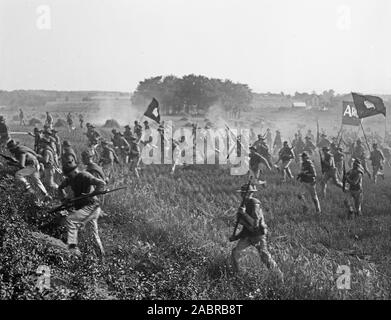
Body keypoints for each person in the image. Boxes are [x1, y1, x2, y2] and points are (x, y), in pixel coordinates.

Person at [229, 184, 283, 279]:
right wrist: (236, 237)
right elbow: (245, 227)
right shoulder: (244, 204)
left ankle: (278, 276)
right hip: (248, 235)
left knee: (264, 256)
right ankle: (237, 275)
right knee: (235, 252)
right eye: (242, 193)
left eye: (246, 193)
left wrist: (244, 214)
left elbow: (255, 224)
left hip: (257, 235)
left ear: (251, 193)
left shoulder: (254, 203)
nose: (243, 195)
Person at [58, 153, 106, 257]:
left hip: (91, 207)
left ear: (74, 171)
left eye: (69, 174)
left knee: (87, 231)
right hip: (81, 208)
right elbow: (60, 188)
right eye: (67, 175)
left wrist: (93, 193)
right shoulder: (70, 179)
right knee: (87, 233)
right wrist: (64, 200)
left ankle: (100, 257)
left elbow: (101, 183)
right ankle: (90, 254)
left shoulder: (84, 176)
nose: (68, 177)